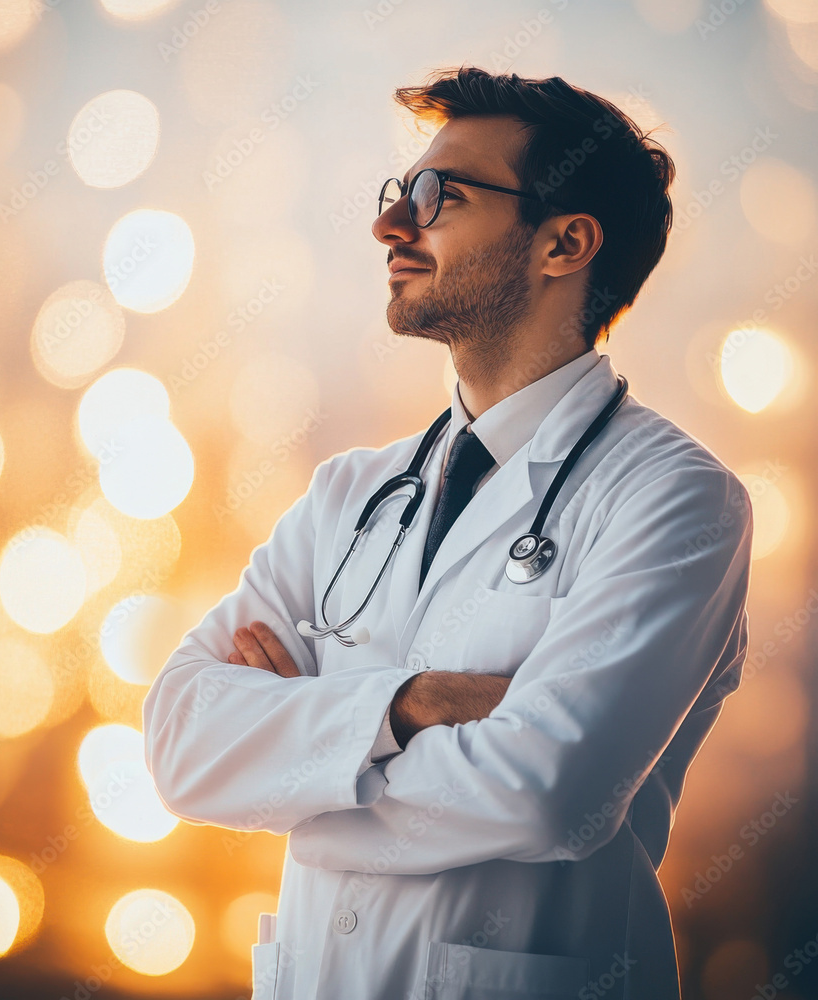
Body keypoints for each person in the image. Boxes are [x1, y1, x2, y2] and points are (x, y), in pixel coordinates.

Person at [143, 67, 753, 1000]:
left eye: (442, 197)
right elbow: (182, 743)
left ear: (565, 243)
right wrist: (410, 704)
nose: (393, 225)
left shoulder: (674, 501)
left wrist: (294, 771)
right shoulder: (349, 493)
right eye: (401, 194)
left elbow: (550, 794)